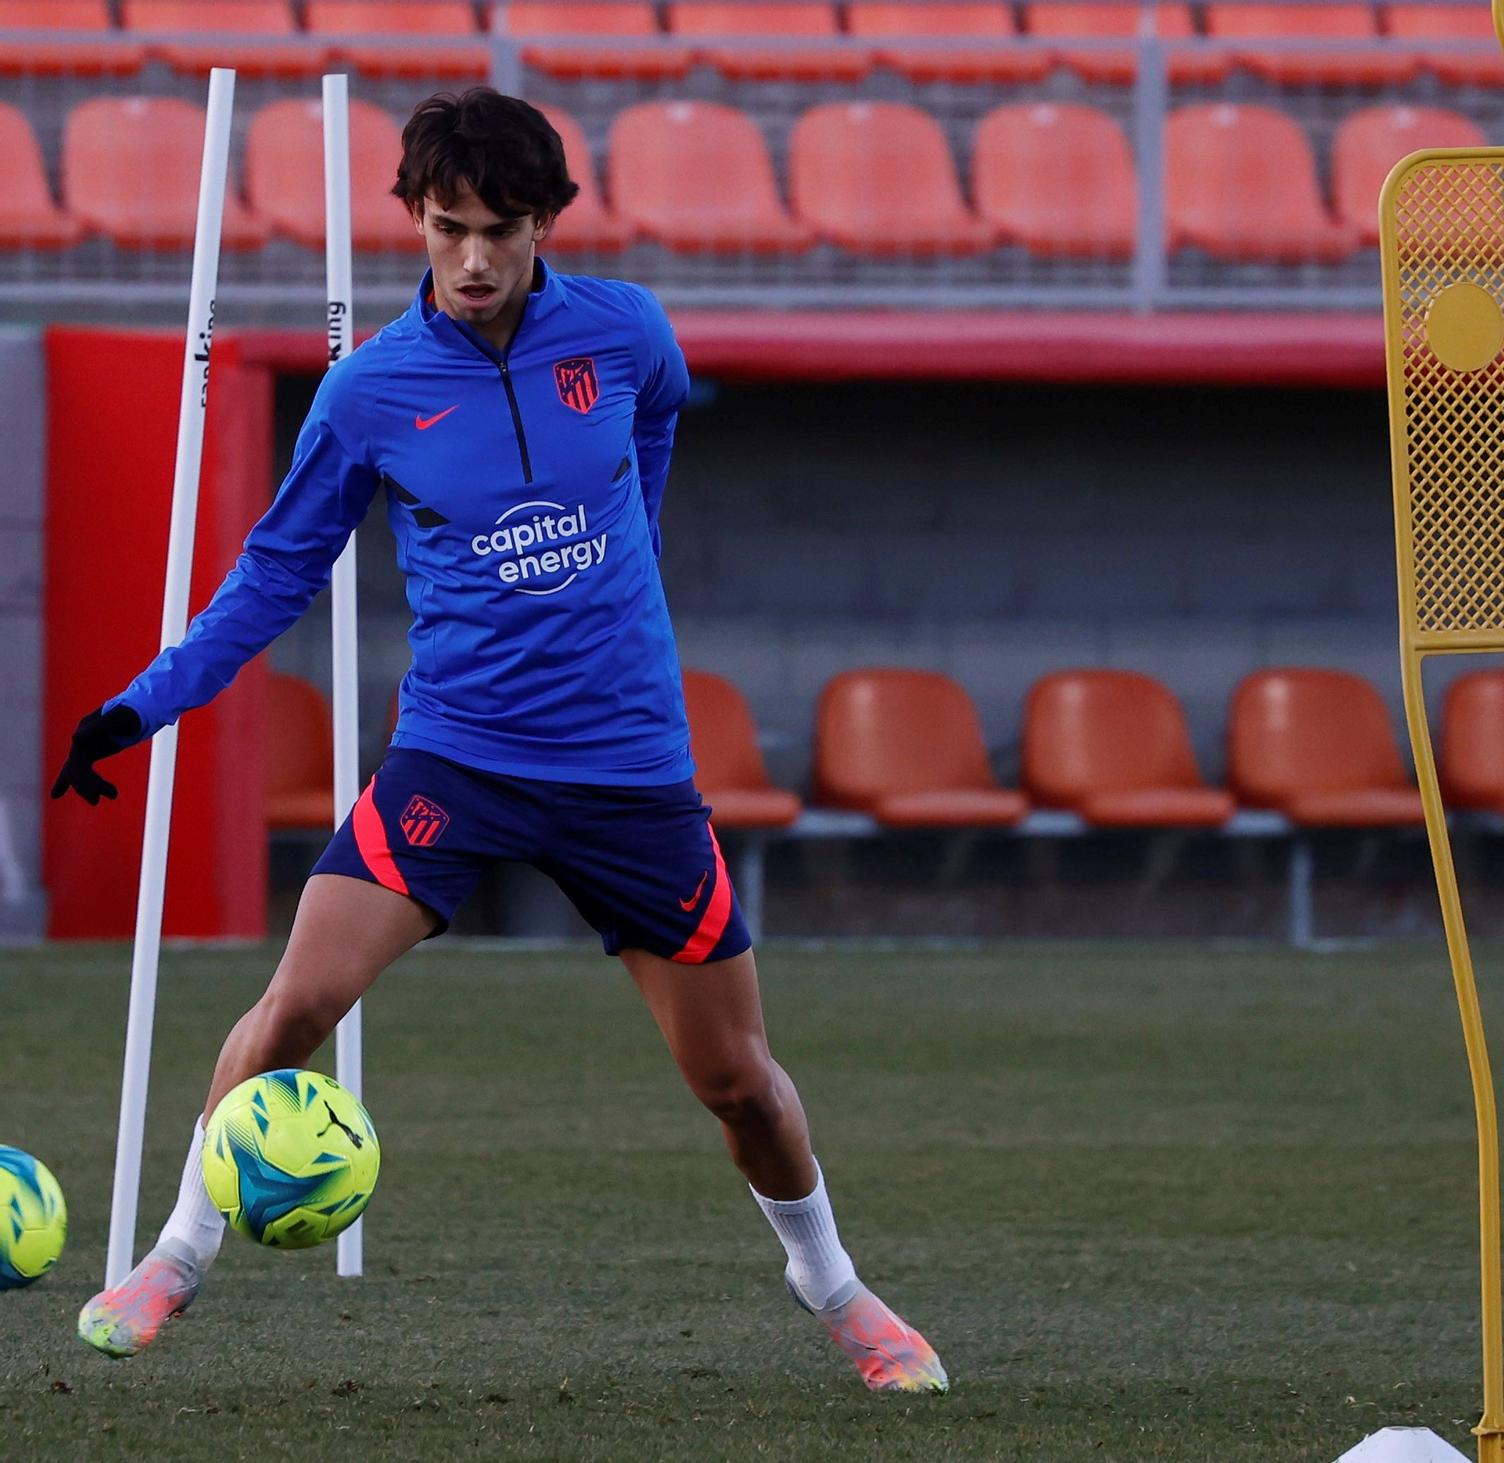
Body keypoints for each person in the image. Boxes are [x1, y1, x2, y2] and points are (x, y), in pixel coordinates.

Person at [52, 89, 945, 1394]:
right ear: (414, 218)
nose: (474, 258)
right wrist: (142, 702)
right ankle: (170, 1263)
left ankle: (842, 1294)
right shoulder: (367, 395)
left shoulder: (627, 332)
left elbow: (657, 423)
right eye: (450, 227)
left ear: (548, 223)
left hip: (634, 773)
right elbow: (273, 575)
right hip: (456, 762)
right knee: (294, 1003)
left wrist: (624, 551)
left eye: (503, 230)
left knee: (740, 1083)